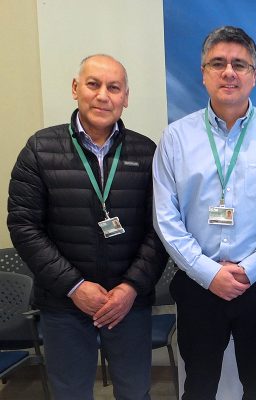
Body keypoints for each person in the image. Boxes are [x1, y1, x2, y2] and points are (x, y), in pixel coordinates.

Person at [152, 26, 256, 399]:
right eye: (218, 63)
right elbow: (166, 218)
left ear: (254, 75)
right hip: (198, 284)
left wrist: (248, 269)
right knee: (199, 387)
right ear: (203, 73)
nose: (229, 72)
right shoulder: (175, 139)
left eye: (240, 64)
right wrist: (209, 273)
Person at [7, 54, 168, 400]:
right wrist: (75, 286)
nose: (103, 95)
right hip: (64, 304)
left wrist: (130, 288)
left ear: (126, 97)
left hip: (129, 304)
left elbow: (160, 228)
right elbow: (24, 226)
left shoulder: (147, 152)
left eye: (114, 87)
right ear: (75, 88)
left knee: (136, 393)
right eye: (93, 84)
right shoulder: (40, 149)